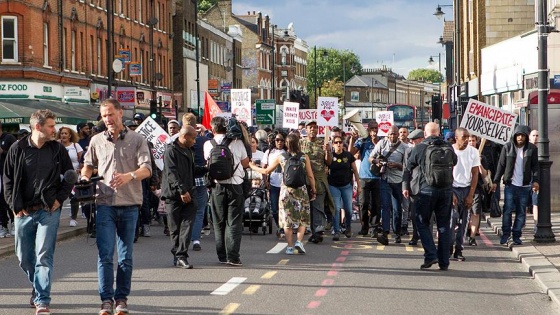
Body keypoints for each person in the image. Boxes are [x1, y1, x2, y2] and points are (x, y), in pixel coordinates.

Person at [81, 98, 152, 315]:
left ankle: (121, 299)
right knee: (104, 254)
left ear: (121, 113)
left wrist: (129, 176)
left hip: (129, 203)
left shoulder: (137, 139)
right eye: (104, 116)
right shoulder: (96, 140)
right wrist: (84, 178)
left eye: (111, 114)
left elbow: (147, 169)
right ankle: (106, 301)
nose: (108, 119)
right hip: (104, 203)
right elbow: (88, 165)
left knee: (125, 256)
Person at [3, 109, 74, 315]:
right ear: (38, 127)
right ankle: (37, 288)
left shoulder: (57, 149)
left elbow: (70, 176)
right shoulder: (17, 148)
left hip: (48, 211)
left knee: (44, 255)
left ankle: (42, 300)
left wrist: (60, 199)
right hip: (23, 211)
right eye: (51, 126)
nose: (55, 130)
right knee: (24, 257)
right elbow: (7, 180)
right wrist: (14, 206)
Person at [249, 133, 316, 254]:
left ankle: (290, 246)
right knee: (303, 217)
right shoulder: (304, 157)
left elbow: (266, 170)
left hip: (286, 190)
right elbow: (310, 176)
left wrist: (252, 166)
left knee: (286, 218)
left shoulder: (282, 157)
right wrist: (314, 189)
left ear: (286, 144)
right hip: (301, 190)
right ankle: (299, 242)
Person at [403, 122, 457, 270]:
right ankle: (444, 262)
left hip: (426, 191)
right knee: (444, 226)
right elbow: (455, 162)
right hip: (446, 191)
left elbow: (408, 169)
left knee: (422, 222)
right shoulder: (448, 147)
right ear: (439, 132)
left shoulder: (420, 147)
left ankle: (431, 255)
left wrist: (405, 186)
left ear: (425, 134)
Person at [203, 116, 250, 266]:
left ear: (213, 129)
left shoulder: (207, 144)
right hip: (235, 185)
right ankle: (233, 257)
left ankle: (222, 255)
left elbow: (207, 162)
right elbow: (245, 163)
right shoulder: (237, 142)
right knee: (234, 221)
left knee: (218, 222)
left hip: (217, 186)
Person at [491, 125, 539, 246]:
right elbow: (501, 165)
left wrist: (536, 181)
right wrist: (495, 181)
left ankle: (517, 235)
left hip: (525, 186)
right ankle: (505, 234)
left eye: (522, 135)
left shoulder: (532, 149)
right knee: (507, 210)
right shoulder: (507, 147)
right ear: (514, 136)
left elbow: (535, 166)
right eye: (518, 135)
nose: (520, 137)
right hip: (510, 185)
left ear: (526, 137)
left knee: (521, 212)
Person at [161, 125, 200, 269]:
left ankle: (182, 255)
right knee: (174, 228)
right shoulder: (171, 151)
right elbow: (171, 173)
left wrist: (207, 170)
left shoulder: (189, 150)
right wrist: (182, 190)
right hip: (174, 195)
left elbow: (191, 171)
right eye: (193, 138)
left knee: (187, 225)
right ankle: (177, 255)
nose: (195, 141)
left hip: (190, 193)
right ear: (184, 136)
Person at [369, 126, 408, 245]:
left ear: (398, 135)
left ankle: (397, 232)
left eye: (395, 134)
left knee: (397, 208)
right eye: (390, 134)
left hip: (397, 181)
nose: (392, 137)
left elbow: (406, 167)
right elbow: (370, 158)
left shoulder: (404, 147)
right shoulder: (382, 143)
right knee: (385, 207)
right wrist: (378, 162)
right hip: (385, 178)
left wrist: (397, 165)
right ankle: (385, 233)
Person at [182, 113, 211, 251]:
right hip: (200, 179)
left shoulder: (177, 141)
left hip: (183, 181)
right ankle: (195, 239)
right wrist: (205, 131)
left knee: (183, 211)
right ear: (195, 125)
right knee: (199, 211)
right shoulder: (204, 140)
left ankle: (183, 240)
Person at [450, 128, 480, 261]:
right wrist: (451, 193)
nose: (467, 140)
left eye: (468, 137)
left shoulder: (473, 152)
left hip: (467, 189)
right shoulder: (450, 151)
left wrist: (470, 195)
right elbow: (446, 173)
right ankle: (448, 247)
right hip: (453, 188)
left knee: (463, 222)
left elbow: (475, 173)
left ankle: (459, 249)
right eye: (464, 137)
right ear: (456, 137)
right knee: (452, 219)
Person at [300, 120, 333, 244]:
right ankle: (309, 229)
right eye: (310, 127)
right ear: (306, 129)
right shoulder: (301, 143)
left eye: (315, 127)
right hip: (304, 179)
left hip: (319, 179)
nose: (312, 129)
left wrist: (328, 151)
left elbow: (329, 162)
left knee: (318, 206)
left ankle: (318, 231)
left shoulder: (322, 143)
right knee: (306, 206)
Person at [349, 120, 382, 237]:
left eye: (376, 128)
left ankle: (374, 227)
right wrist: (353, 139)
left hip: (377, 178)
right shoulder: (362, 140)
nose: (374, 130)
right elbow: (350, 153)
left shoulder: (381, 141)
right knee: (364, 203)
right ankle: (364, 226)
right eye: (372, 128)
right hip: (364, 177)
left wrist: (374, 141)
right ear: (368, 129)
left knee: (376, 204)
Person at [328, 135, 360, 240]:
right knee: (336, 208)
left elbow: (355, 170)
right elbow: (326, 167)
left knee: (348, 209)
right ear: (333, 144)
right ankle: (336, 231)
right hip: (334, 186)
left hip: (346, 186)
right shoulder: (330, 156)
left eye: (340, 142)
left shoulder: (348, 155)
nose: (338, 144)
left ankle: (348, 227)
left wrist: (358, 185)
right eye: (336, 142)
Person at [56, 126, 84, 227]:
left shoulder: (75, 146)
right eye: (62, 133)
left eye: (65, 133)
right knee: (59, 197)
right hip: (60, 176)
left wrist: (80, 169)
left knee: (74, 197)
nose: (63, 135)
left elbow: (82, 159)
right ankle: (56, 218)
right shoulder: (57, 146)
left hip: (73, 175)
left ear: (70, 135)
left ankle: (73, 218)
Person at [262, 130, 288, 239]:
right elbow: (264, 168)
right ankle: (280, 227)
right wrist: (265, 181)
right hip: (273, 184)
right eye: (277, 140)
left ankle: (283, 228)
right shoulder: (269, 152)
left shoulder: (287, 153)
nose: (280, 142)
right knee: (274, 208)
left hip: (285, 185)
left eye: (282, 140)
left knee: (284, 208)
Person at [403, 129, 425, 246]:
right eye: (411, 141)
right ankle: (415, 235)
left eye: (414, 140)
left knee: (427, 214)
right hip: (414, 186)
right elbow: (406, 170)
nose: (412, 143)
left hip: (427, 186)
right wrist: (405, 187)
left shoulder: (428, 149)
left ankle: (426, 236)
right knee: (414, 214)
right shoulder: (409, 151)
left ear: (421, 139)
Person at [0, 122, 17, 237]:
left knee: (9, 198)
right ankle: (3, 225)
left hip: (8, 174)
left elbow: (16, 153)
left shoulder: (9, 138)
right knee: (0, 200)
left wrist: (3, 152)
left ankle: (15, 222)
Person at [528, 129, 539, 229]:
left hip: (535, 180)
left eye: (537, 135)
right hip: (526, 180)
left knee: (536, 203)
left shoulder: (540, 149)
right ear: (529, 137)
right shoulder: (526, 149)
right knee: (523, 205)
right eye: (533, 135)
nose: (535, 137)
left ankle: (536, 226)